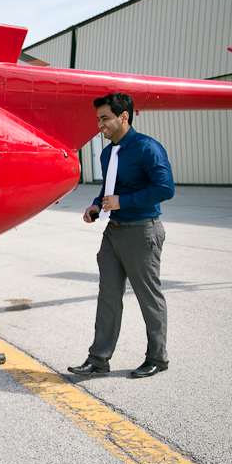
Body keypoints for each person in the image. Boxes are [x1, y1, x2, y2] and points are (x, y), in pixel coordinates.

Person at [69, 93, 175, 379]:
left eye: (105, 118)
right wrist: (97, 204)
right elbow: (109, 188)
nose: (100, 125)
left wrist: (123, 202)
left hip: (142, 232)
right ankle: (98, 359)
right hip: (113, 232)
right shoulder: (108, 153)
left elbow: (165, 189)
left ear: (124, 117)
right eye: (98, 119)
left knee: (148, 297)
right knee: (108, 297)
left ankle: (157, 357)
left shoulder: (147, 148)